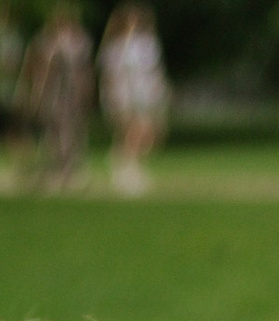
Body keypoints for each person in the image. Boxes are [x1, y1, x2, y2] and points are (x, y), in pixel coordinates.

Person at [22, 6, 94, 190]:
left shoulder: (78, 42)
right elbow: (39, 71)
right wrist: (36, 94)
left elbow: (85, 71)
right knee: (55, 133)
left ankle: (68, 171)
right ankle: (57, 170)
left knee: (71, 133)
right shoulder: (47, 43)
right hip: (54, 94)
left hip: (71, 95)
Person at [99, 6, 169, 192]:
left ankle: (128, 163)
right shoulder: (115, 46)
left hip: (144, 94)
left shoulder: (147, 44)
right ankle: (127, 170)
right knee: (131, 132)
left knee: (148, 133)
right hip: (124, 95)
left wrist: (160, 91)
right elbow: (111, 75)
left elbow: (154, 72)